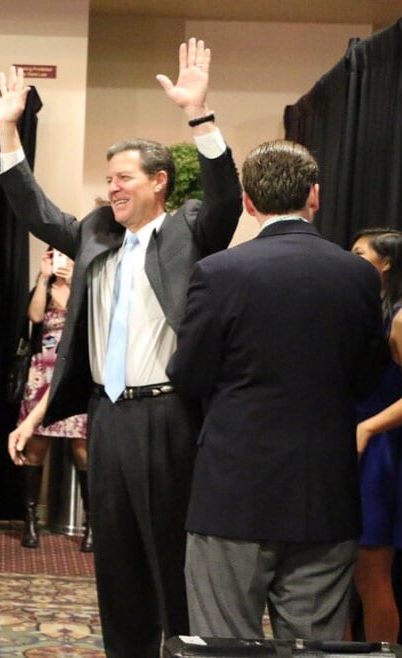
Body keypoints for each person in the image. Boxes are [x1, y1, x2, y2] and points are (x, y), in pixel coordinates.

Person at [0, 39, 242, 657]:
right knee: (118, 560)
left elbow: (227, 200)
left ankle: (184, 649)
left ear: (160, 182)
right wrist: (7, 133)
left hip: (168, 417)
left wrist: (199, 114)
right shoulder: (98, 234)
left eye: (124, 179)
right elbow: (36, 211)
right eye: (108, 181)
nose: (114, 190)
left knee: (171, 556)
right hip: (107, 419)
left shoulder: (188, 230)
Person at [167, 140, 385, 640]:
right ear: (315, 195)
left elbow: (189, 376)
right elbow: (367, 378)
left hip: (233, 493)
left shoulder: (219, 272)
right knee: (313, 647)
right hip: (325, 492)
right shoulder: (358, 275)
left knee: (223, 647)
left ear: (248, 201)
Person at [7, 249, 90, 551]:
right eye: (54, 255)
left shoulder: (86, 287)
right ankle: (31, 521)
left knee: (83, 450)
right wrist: (43, 279)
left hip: (74, 376)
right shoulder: (43, 285)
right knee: (35, 448)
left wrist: (74, 281)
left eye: (66, 255)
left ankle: (90, 524)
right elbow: (35, 316)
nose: (60, 261)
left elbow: (80, 322)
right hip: (42, 373)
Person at [350, 229, 402, 641]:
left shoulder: (400, 316)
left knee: (372, 575)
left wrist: (368, 427)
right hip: (359, 448)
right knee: (345, 576)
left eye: (359, 253)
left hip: (382, 452)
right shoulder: (372, 310)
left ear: (385, 263)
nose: (350, 259)